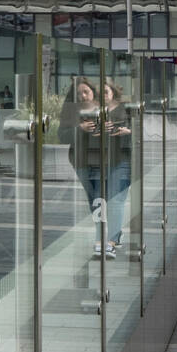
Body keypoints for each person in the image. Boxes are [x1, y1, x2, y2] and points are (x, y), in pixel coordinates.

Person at [59, 77, 107, 248]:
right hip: (81, 161)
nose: (83, 96)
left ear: (93, 91)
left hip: (104, 160)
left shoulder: (105, 109)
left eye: (86, 91)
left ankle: (104, 238)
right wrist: (79, 129)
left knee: (101, 198)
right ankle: (104, 235)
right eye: (79, 94)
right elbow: (62, 136)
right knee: (94, 198)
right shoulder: (72, 113)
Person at [101, 80, 132, 258]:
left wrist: (128, 132)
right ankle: (117, 236)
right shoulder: (96, 111)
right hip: (103, 161)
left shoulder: (124, 109)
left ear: (113, 92)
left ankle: (111, 242)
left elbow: (139, 130)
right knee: (108, 201)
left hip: (123, 159)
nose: (103, 96)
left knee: (116, 201)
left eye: (106, 92)